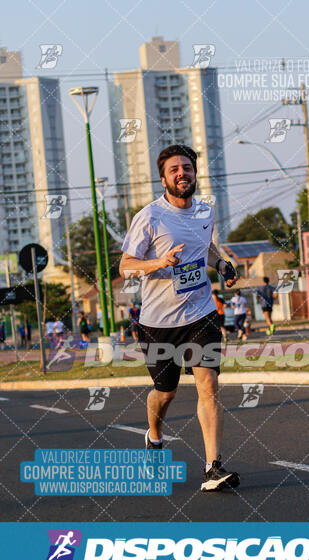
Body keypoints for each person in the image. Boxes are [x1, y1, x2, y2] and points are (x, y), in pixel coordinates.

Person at [120, 144, 240, 492]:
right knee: (166, 392)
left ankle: (212, 468)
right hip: (159, 323)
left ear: (194, 172)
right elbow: (125, 266)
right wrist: (158, 263)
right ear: (163, 178)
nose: (181, 174)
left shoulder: (205, 211)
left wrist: (220, 264)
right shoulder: (150, 217)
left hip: (201, 314)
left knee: (209, 385)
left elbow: (207, 247)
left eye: (186, 167)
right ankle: (154, 437)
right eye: (174, 169)